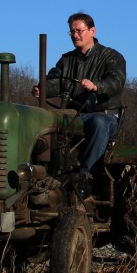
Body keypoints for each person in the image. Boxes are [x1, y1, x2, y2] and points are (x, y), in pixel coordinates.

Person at [33, 12, 126, 178]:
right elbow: (56, 81)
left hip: (104, 115)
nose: (75, 35)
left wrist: (97, 86)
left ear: (92, 31)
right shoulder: (67, 60)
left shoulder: (111, 57)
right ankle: (40, 170)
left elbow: (116, 82)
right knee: (41, 118)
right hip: (74, 115)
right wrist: (43, 88)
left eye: (79, 31)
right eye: (72, 32)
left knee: (99, 121)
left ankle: (86, 175)